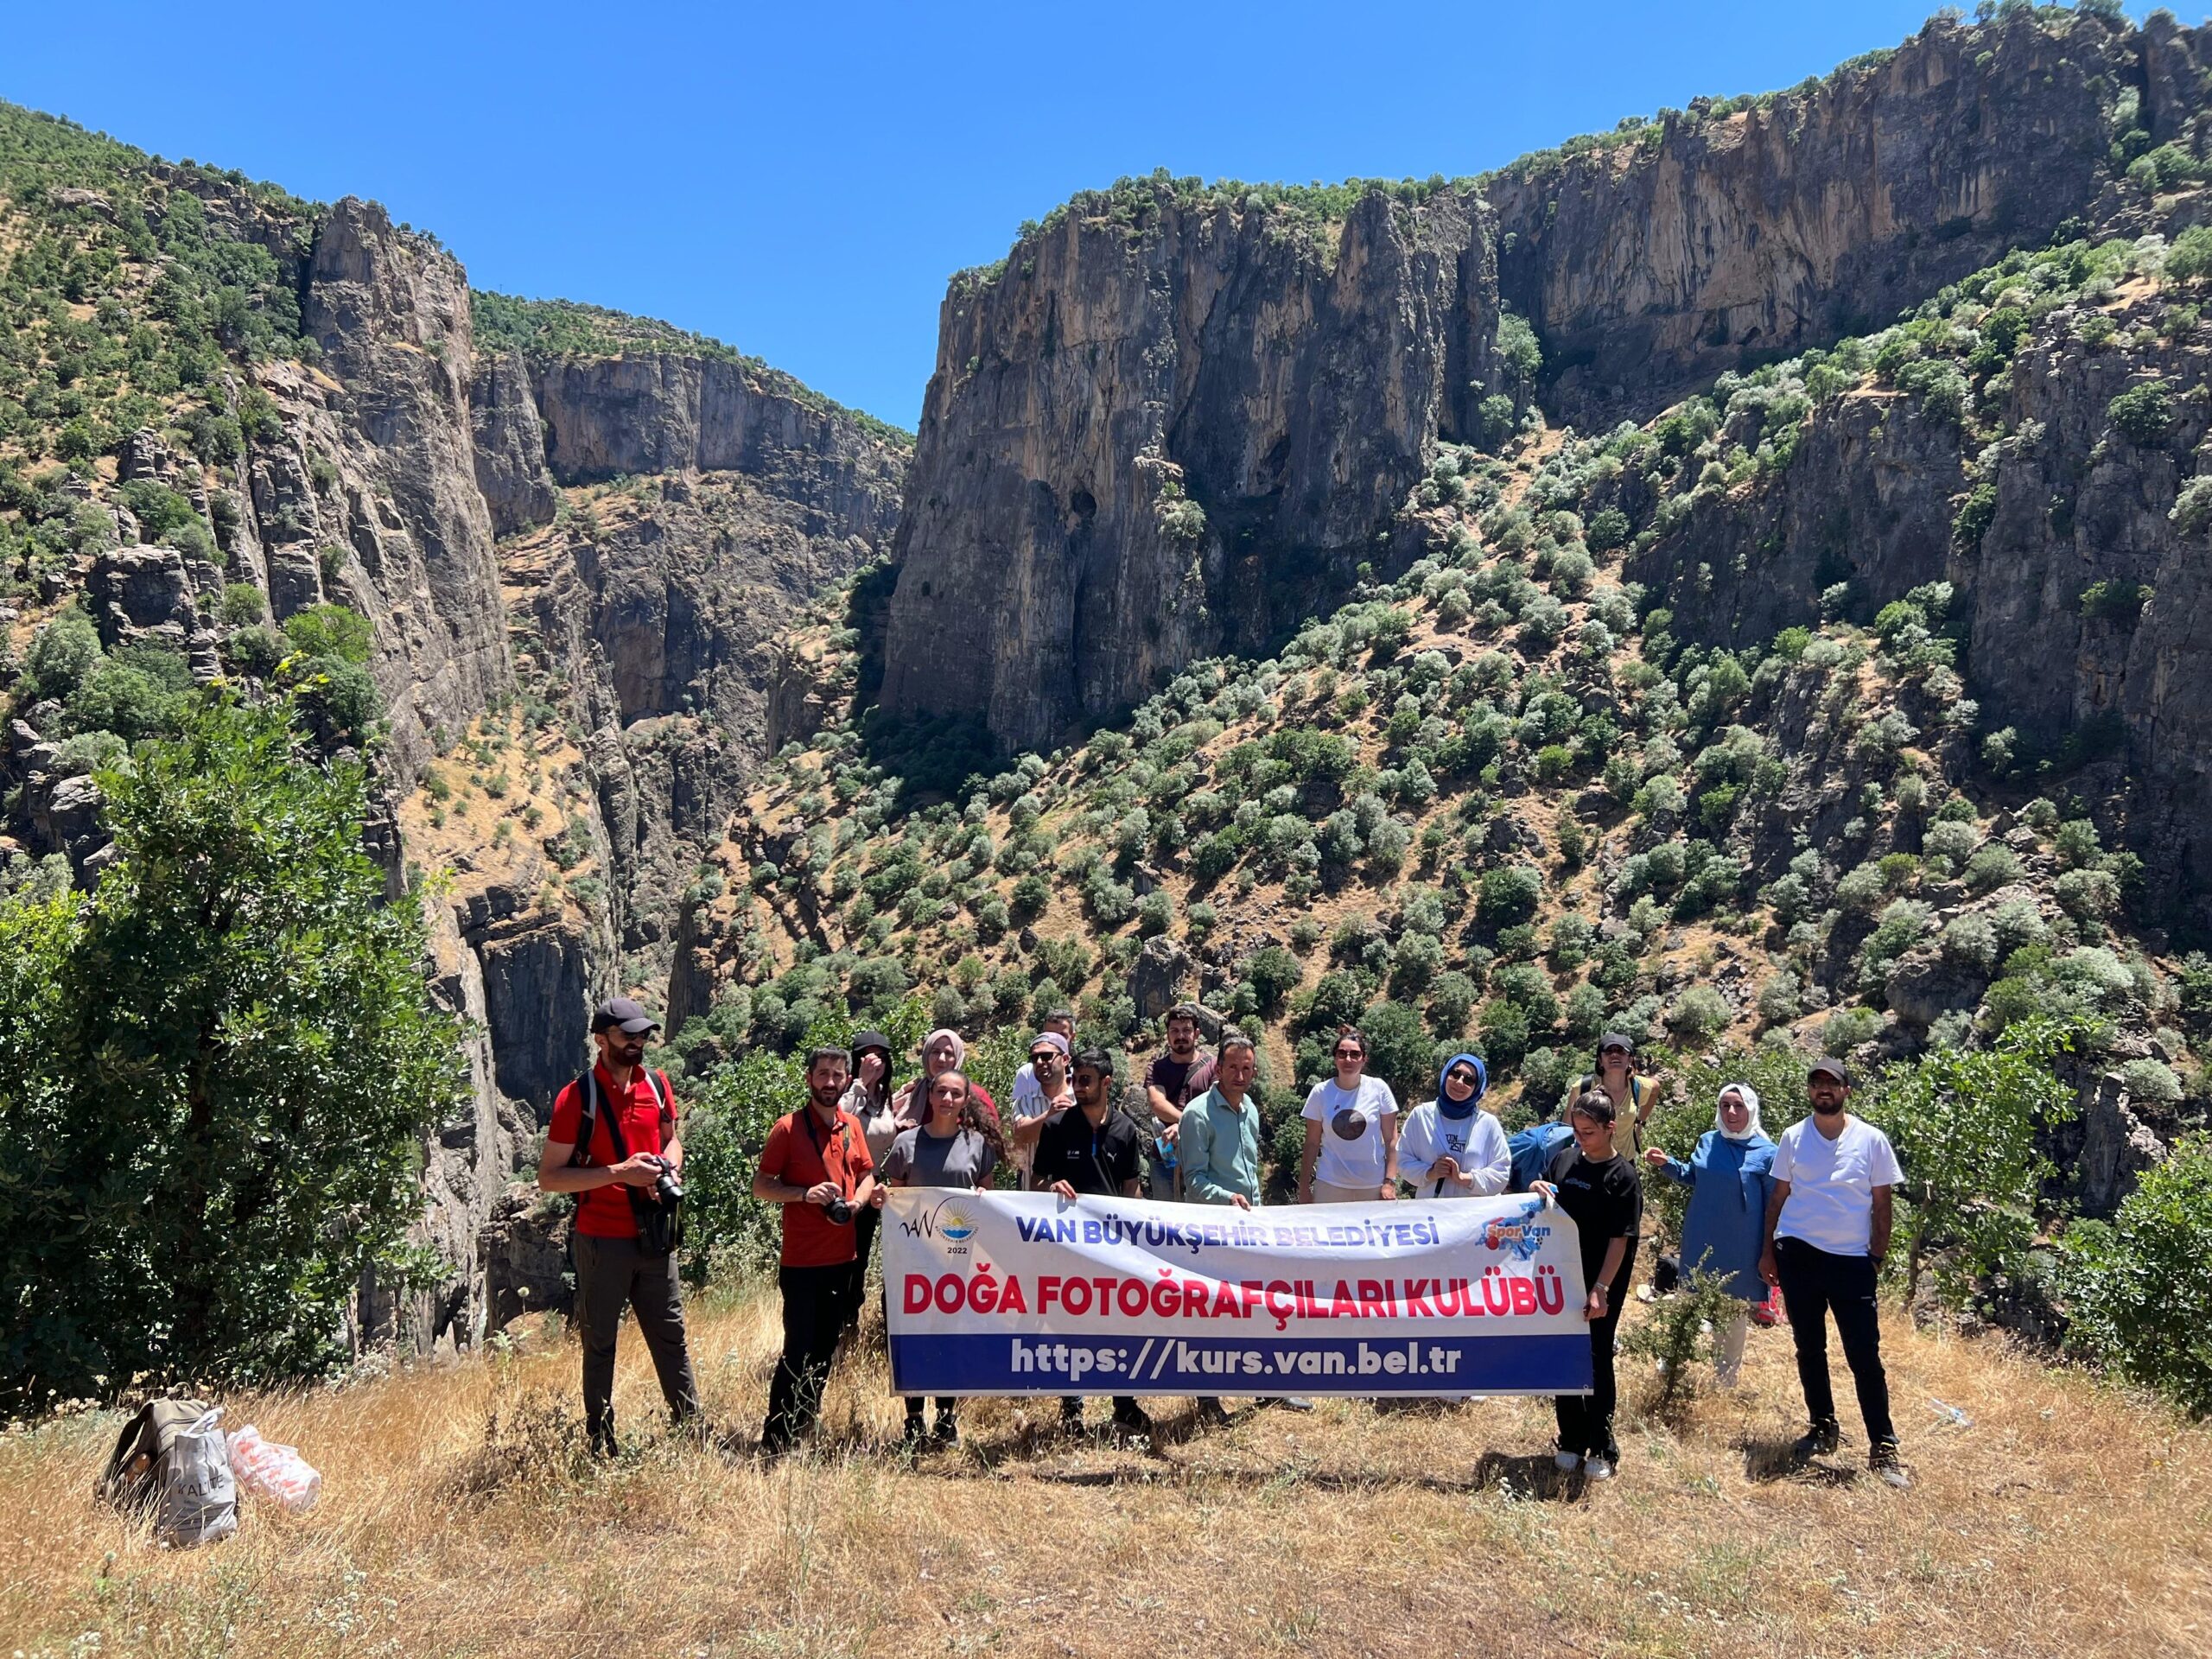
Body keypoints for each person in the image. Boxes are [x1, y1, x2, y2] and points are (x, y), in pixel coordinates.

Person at [537, 998, 702, 1457]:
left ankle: (693, 1434)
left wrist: (667, 1169)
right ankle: (600, 1442)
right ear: (601, 1038)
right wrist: (619, 1173)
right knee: (600, 1342)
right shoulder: (577, 1099)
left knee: (671, 1336)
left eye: (642, 1034)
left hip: (654, 1235)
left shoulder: (657, 1084)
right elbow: (550, 1177)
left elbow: (671, 1141)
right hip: (602, 1239)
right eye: (627, 1034)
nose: (637, 1042)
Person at [1758, 1058, 1910, 1489]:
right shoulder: (1793, 1137)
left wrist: (1875, 1259)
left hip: (1851, 1261)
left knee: (1864, 1356)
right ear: (1809, 1091)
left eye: (1832, 1083)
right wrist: (1768, 1252)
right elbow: (1778, 1199)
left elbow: (1883, 1205)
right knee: (1809, 1348)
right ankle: (1822, 1425)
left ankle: (1883, 1446)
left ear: (1846, 1090)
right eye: (1817, 1083)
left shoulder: (1871, 1140)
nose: (1824, 1089)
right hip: (1799, 1254)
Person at [1179, 1033, 1309, 1423]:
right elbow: (1194, 1182)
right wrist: (1228, 1200)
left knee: (1259, 1308)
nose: (1240, 1075)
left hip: (1250, 1230)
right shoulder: (1198, 1114)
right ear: (1217, 1068)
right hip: (1213, 1231)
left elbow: (1250, 1173)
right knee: (1210, 1315)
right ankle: (1207, 1400)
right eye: (1232, 1067)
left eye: (1247, 1068)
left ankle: (1268, 1388)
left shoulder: (1250, 1109)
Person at [753, 1046, 876, 1455]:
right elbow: (761, 1186)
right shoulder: (787, 1129)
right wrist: (804, 1195)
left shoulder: (852, 1125)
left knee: (825, 1349)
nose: (830, 1083)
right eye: (823, 1074)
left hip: (843, 1260)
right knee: (797, 1349)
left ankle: (805, 1422)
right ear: (810, 1078)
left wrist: (857, 1202)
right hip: (802, 1263)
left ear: (846, 1081)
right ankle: (775, 1439)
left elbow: (867, 1174)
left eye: (838, 1075)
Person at [880, 1069, 1003, 1448]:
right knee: (914, 1335)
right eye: (941, 1092)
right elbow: (894, 1199)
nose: (948, 1099)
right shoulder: (906, 1143)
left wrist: (983, 1200)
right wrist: (883, 1198)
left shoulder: (978, 1145)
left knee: (951, 1337)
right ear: (930, 1096)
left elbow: (989, 1197)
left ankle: (947, 1418)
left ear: (966, 1100)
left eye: (956, 1094)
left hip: (959, 1261)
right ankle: (914, 1418)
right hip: (914, 1258)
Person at [1034, 1048, 1150, 1439]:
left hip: (1113, 1249)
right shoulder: (1055, 1128)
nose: (1078, 1087)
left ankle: (1125, 1405)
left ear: (1107, 1083)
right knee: (1070, 1324)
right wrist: (1051, 1186)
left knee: (1121, 1324)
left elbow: (1131, 1191)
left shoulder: (1126, 1130)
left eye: (1086, 1080)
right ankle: (1071, 1408)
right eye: (1076, 1079)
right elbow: (1035, 1185)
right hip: (1067, 1247)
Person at [1534, 1090, 1641, 1481]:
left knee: (1596, 1356)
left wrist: (1602, 1287)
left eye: (1589, 1132)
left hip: (1600, 1276)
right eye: (1577, 1130)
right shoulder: (1563, 1160)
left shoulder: (1623, 1176)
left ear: (1611, 1129)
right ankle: (1571, 1439)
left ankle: (1602, 1445)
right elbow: (1546, 1202)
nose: (1581, 1138)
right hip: (1560, 1274)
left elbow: (1621, 1239)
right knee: (1564, 1352)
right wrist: (1537, 1189)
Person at [1645, 1082, 1777, 1386]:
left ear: (1752, 1109)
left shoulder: (1768, 1153)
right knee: (1689, 1302)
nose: (1731, 1112)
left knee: (1731, 1312)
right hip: (1702, 1235)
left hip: (1742, 1245)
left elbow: (1774, 1204)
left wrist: (1769, 1251)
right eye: (1725, 1105)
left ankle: (1724, 1381)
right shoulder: (1708, 1141)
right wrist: (1669, 1165)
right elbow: (1694, 1175)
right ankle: (1672, 1367)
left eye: (1739, 1105)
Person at [1299, 1026, 1400, 1204]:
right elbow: (1312, 1143)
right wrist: (1304, 1186)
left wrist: (1389, 1181)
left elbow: (1391, 1140)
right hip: (1330, 1184)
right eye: (1342, 1054)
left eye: (1355, 1054)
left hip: (1372, 1185)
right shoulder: (1320, 1092)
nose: (1348, 1059)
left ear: (1364, 1059)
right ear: (1335, 1058)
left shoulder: (1379, 1089)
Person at [1398, 1053, 1510, 1199]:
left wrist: (1465, 1178)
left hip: (1474, 1215)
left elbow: (1501, 1173)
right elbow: (1403, 1160)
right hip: (1432, 1214)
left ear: (1477, 1087)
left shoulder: (1488, 1124)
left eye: (1469, 1079)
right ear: (1446, 1075)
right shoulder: (1421, 1115)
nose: (1459, 1082)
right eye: (1455, 1074)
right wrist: (1430, 1173)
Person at [841, 1028, 899, 1296]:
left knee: (860, 1256)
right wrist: (861, 1083)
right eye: (867, 1057)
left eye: (880, 1058)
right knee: (840, 1256)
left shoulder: (885, 1097)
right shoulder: (846, 1089)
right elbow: (838, 1120)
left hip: (872, 1186)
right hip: (844, 1185)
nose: (874, 1063)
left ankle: (850, 1321)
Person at [1144, 1004, 1217, 1200]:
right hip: (1165, 1159)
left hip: (1204, 1159)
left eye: (1186, 1030)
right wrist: (1187, 1122)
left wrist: (1183, 1126)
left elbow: (1216, 1104)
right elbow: (1157, 1103)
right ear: (1167, 1035)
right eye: (1175, 1031)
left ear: (1197, 1033)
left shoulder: (1213, 1066)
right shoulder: (1156, 1067)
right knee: (1166, 1221)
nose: (1181, 1036)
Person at [1562, 1033, 1663, 1161]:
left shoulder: (1637, 1086)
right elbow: (1566, 1130)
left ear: (1630, 1059)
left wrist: (1640, 1123)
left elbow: (1655, 1089)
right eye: (1608, 1051)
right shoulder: (1583, 1088)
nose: (1614, 1055)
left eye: (1621, 1051)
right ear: (1600, 1060)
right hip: (1589, 1164)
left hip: (1625, 1164)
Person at [891, 1027, 1000, 1130]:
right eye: (935, 1052)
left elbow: (992, 1139)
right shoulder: (912, 1093)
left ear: (957, 1058)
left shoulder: (976, 1095)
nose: (941, 1059)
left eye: (948, 1053)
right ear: (926, 1055)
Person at [1008, 1030, 1075, 1189]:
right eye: (1034, 1058)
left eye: (1046, 1056)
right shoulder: (1024, 1102)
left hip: (1076, 1199)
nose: (1039, 1062)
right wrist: (1050, 1115)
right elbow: (1020, 1135)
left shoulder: (1081, 1100)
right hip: (1033, 1200)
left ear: (1065, 1059)